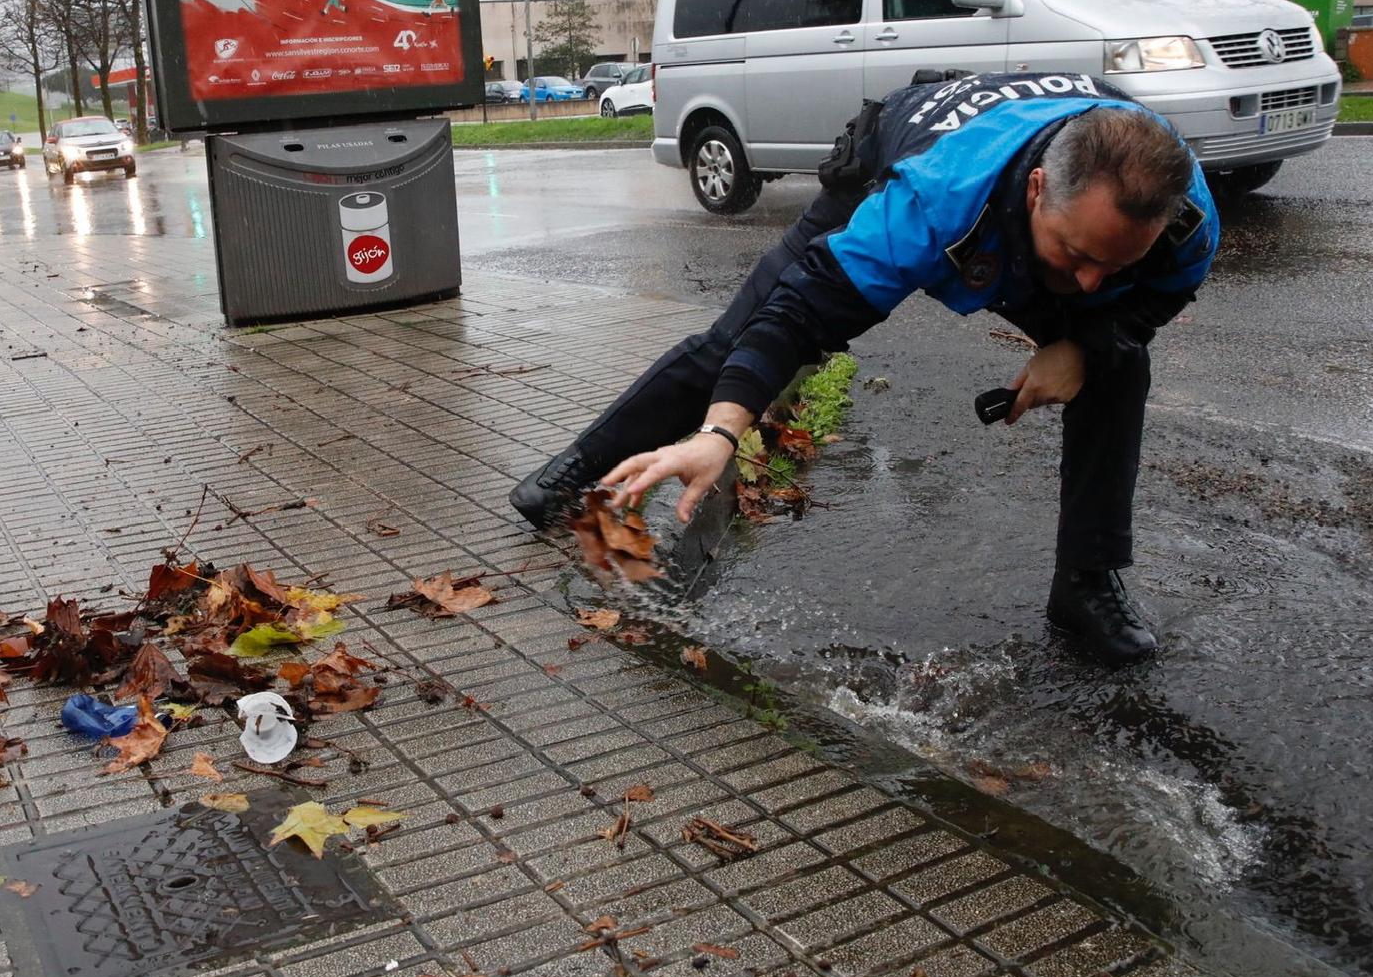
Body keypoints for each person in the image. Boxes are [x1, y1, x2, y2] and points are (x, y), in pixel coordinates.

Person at [508, 72, 1219, 665]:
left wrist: (1086, 344)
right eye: (1078, 254)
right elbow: (796, 315)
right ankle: (580, 467)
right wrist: (723, 432)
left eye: (1115, 262)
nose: (1092, 282)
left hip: (1039, 169)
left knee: (1119, 367)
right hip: (909, 152)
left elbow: (1160, 292)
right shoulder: (929, 204)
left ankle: (1087, 582)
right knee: (741, 339)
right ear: (1037, 191)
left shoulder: (1182, 217)